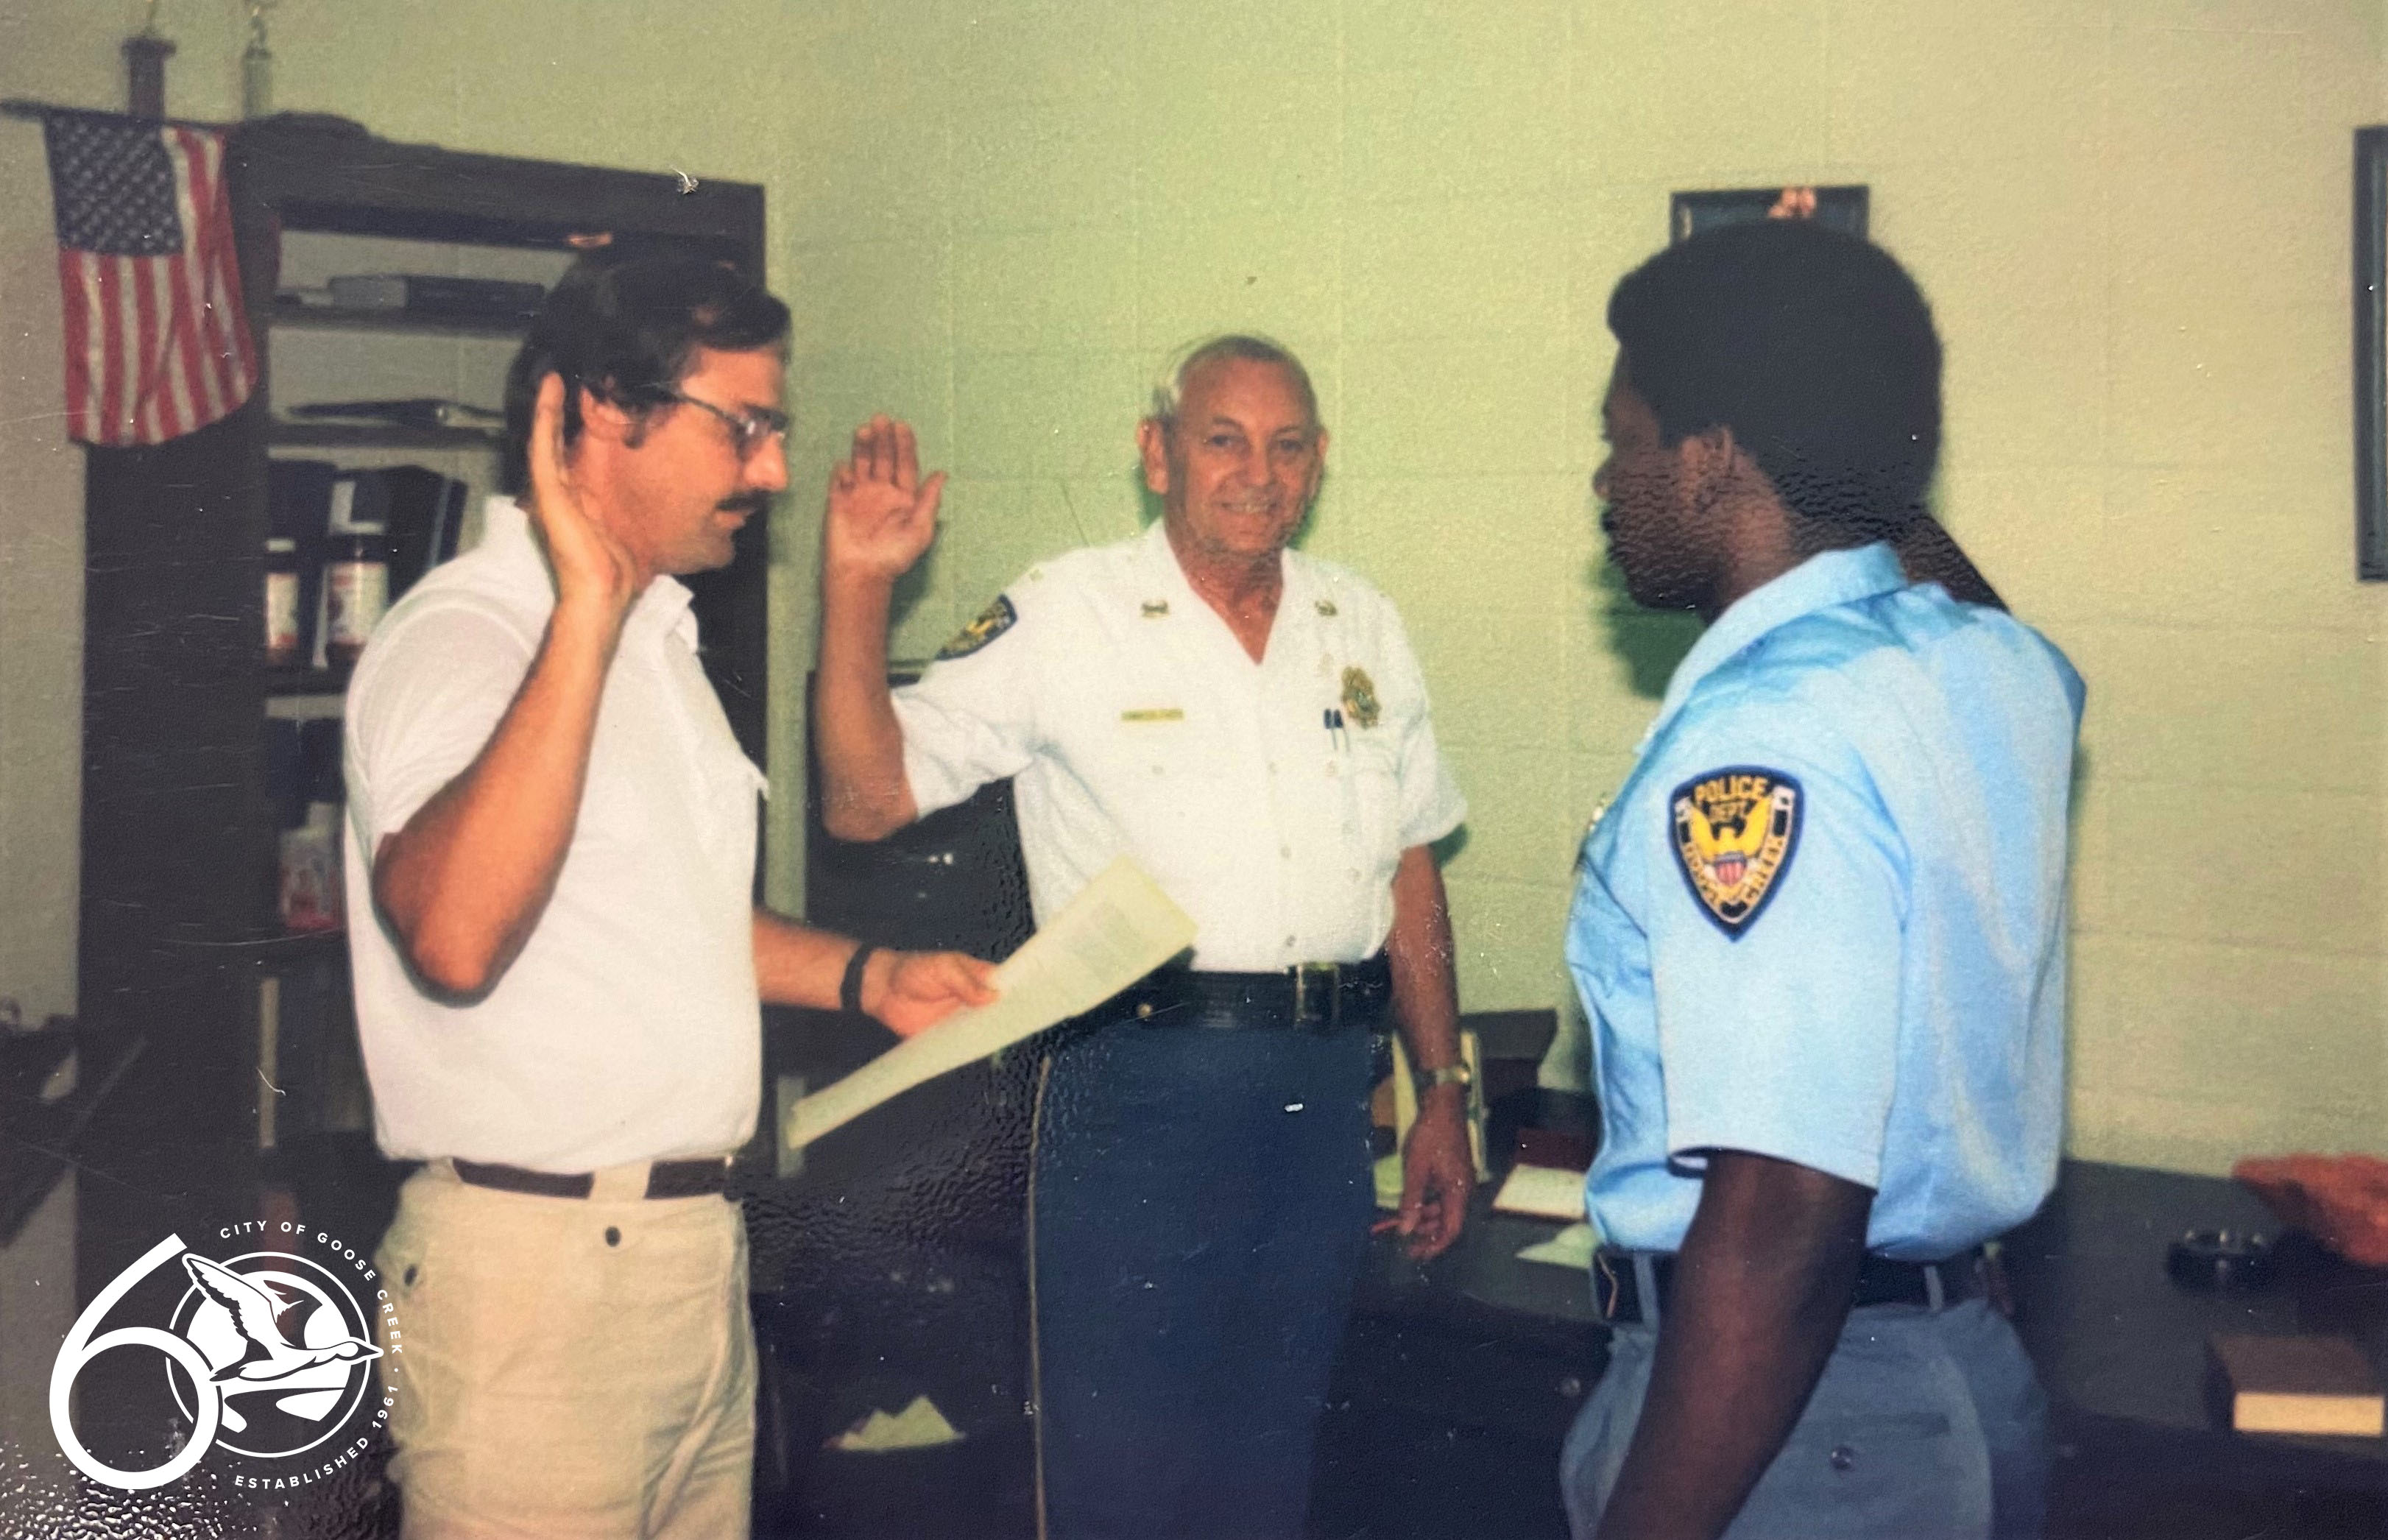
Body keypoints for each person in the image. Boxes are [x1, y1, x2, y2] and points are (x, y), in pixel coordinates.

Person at [342, 252, 996, 1539]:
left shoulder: (658, 637)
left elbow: (661, 917)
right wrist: (583, 612)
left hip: (689, 1265)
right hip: (533, 1285)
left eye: (777, 431)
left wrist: (867, 977)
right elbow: (456, 934)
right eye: (743, 429)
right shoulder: (463, 640)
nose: (773, 473)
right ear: (600, 410)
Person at [812, 334, 1475, 1539]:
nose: (1256, 473)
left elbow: (1412, 868)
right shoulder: (1071, 613)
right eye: (1223, 439)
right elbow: (865, 801)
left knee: (1269, 1467)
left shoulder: (1360, 624)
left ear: (1319, 463)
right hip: (1138, 1092)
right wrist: (857, 594)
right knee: (1124, 1474)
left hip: (1324, 1097)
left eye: (1286, 446)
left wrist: (1442, 1086)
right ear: (1156, 453)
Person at [1561, 219, 2083, 1540]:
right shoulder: (1993, 670)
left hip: (1795, 1432)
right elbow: (1949, 589)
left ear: (1714, 458)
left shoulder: (1760, 739)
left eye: (1626, 439)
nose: (1605, 482)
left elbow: (1786, 1207)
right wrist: (1854, 441)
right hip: (1951, 1380)